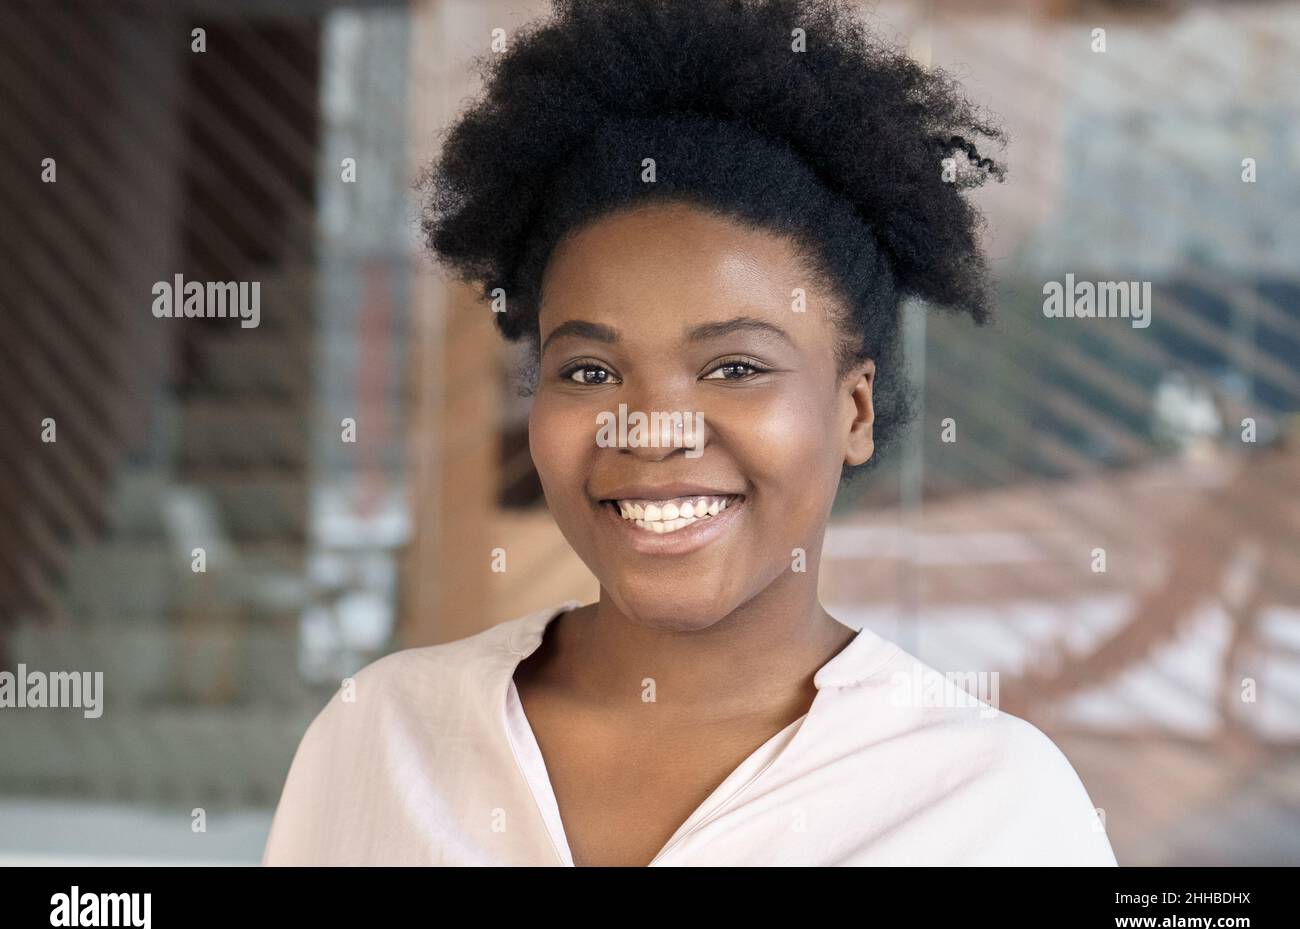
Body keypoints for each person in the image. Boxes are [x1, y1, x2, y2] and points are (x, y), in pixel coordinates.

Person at [263, 0, 1117, 866]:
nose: (652, 430)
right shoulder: (384, 740)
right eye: (590, 372)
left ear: (853, 411)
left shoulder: (987, 804)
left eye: (736, 368)